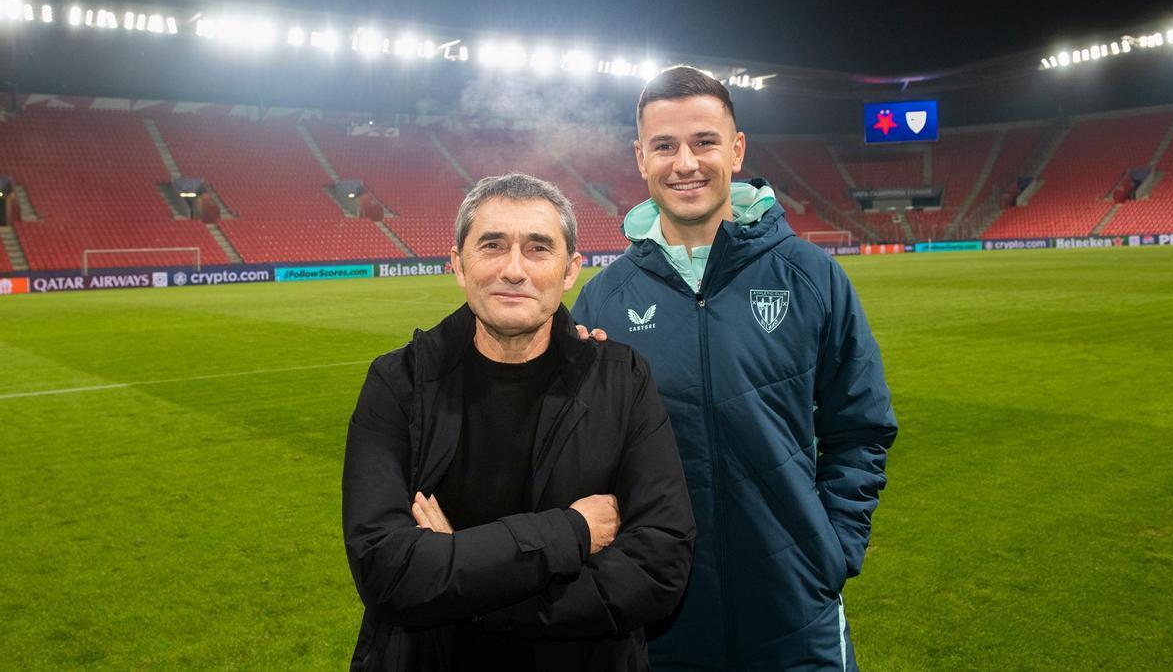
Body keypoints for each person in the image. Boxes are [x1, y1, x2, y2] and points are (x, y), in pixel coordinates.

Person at [572, 66, 898, 671]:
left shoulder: (811, 276)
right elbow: (574, 455)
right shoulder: (601, 301)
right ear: (640, 158)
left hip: (796, 610)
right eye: (665, 146)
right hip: (658, 617)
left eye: (704, 141)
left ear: (737, 149)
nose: (685, 162)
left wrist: (831, 550)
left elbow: (860, 427)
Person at [342, 172, 695, 671]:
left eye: (537, 248)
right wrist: (571, 531)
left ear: (571, 270)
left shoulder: (622, 380)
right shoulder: (398, 383)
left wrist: (466, 586)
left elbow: (659, 567)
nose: (513, 269)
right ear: (458, 265)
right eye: (492, 246)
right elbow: (386, 571)